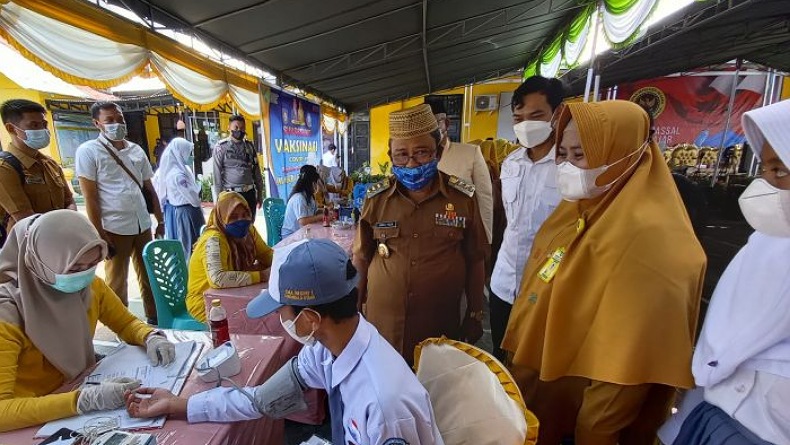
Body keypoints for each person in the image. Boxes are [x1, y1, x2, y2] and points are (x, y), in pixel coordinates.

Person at [501, 100, 706, 445]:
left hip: (590, 419)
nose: (566, 166)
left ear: (625, 153)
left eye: (580, 155)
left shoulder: (654, 242)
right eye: (563, 154)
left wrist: (594, 432)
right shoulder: (575, 211)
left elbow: (629, 368)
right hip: (544, 399)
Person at [126, 239, 444, 445]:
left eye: (283, 311)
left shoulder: (384, 405)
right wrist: (179, 404)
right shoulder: (326, 351)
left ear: (310, 319)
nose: (281, 320)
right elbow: (262, 400)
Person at [662, 99, 790, 445]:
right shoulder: (767, 239)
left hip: (766, 425)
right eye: (764, 170)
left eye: (779, 171)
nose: (764, 185)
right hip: (720, 407)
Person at [0, 210, 175, 432]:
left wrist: (150, 337)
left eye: (92, 264)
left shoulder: (90, 286)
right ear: (38, 263)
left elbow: (126, 323)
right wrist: (82, 401)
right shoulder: (7, 313)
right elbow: (2, 412)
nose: (83, 276)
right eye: (73, 269)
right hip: (29, 421)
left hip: (79, 393)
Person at [352, 104, 488, 365]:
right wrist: (355, 308)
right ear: (391, 157)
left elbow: (475, 259)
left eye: (421, 153)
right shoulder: (376, 199)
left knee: (436, 392)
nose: (412, 163)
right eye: (401, 155)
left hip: (439, 327)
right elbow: (361, 257)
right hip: (383, 327)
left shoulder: (462, 198)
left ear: (437, 152)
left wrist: (475, 313)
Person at [489, 76, 564, 362]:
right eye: (518, 118)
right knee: (500, 358)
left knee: (535, 365)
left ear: (557, 114)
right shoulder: (511, 163)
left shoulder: (569, 166)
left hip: (547, 289)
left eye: (536, 116)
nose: (525, 126)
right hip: (504, 283)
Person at [76, 102, 164, 325]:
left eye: (120, 119)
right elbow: (90, 197)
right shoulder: (88, 152)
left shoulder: (135, 150)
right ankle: (120, 325)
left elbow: (148, 187)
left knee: (149, 276)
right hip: (114, 226)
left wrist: (160, 219)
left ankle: (153, 318)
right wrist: (99, 234)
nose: (117, 124)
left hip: (141, 222)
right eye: (110, 120)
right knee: (117, 280)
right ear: (97, 124)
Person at [186, 192, 273, 323]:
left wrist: (280, 263)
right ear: (222, 217)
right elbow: (218, 278)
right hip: (206, 303)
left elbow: (266, 255)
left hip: (234, 293)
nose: (241, 221)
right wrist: (261, 275)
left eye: (245, 215)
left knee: (268, 312)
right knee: (257, 320)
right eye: (233, 217)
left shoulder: (249, 231)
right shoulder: (213, 240)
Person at [0, 99, 76, 237]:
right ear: (11, 128)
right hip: (28, 249)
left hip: (61, 240)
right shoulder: (5, 169)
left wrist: (71, 221)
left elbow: (69, 200)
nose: (42, 130)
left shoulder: (50, 164)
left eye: (44, 124)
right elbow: (25, 219)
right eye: (34, 125)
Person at [427, 101, 494, 244]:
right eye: (426, 126)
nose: (431, 130)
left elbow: (484, 199)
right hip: (427, 239)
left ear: (446, 123)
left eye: (435, 123)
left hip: (462, 238)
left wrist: (486, 240)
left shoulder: (470, 153)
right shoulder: (416, 160)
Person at [153, 137, 205, 261]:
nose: (190, 156)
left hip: (179, 211)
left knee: (186, 244)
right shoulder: (177, 175)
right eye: (188, 152)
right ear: (180, 152)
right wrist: (197, 192)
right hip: (186, 213)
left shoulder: (176, 170)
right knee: (189, 246)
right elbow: (192, 197)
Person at [212, 114, 263, 221]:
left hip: (249, 192)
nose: (239, 130)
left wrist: (260, 193)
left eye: (242, 128)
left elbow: (256, 171)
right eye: (236, 127)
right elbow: (217, 176)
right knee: (233, 226)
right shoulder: (221, 147)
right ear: (229, 127)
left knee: (249, 225)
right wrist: (218, 199)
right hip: (232, 194)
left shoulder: (249, 146)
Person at [282, 165, 324, 238]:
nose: (317, 185)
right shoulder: (299, 197)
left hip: (302, 233)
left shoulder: (309, 197)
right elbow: (303, 221)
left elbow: (313, 212)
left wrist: (324, 211)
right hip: (291, 236)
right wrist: (321, 217)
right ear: (311, 183)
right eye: (316, 182)